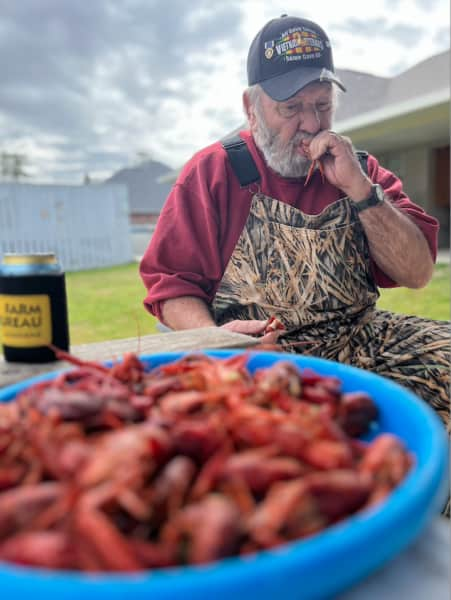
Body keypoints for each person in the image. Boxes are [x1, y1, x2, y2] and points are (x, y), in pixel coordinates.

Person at [140, 15, 449, 429]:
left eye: (323, 105)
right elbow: (172, 287)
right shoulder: (213, 172)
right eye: (291, 108)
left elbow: (417, 272)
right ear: (251, 108)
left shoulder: (359, 170)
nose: (311, 124)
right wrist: (220, 342)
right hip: (263, 359)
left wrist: (360, 192)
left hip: (363, 340)